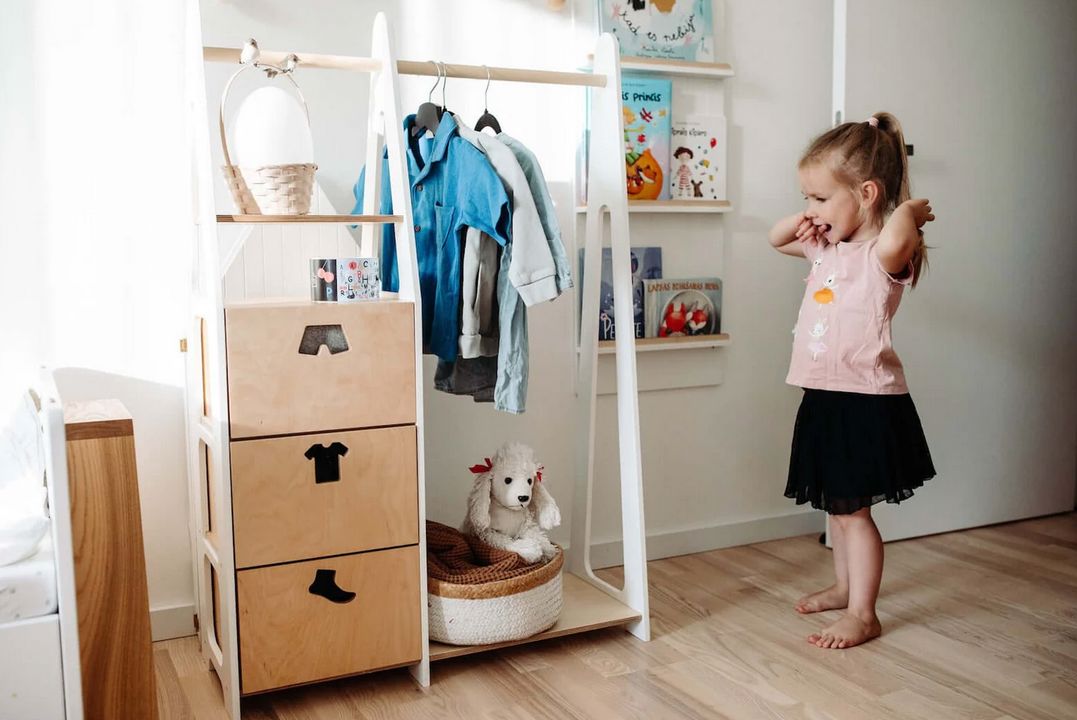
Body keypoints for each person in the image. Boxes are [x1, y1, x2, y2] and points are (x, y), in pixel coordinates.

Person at [768, 112, 937, 649]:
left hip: (864, 400)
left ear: (866, 194)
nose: (812, 209)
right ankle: (844, 587)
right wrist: (807, 218)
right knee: (837, 508)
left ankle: (864, 613)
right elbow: (775, 239)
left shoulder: (881, 255)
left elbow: (897, 237)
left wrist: (906, 208)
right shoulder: (827, 248)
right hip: (823, 393)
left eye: (820, 198)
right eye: (806, 198)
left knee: (856, 513)